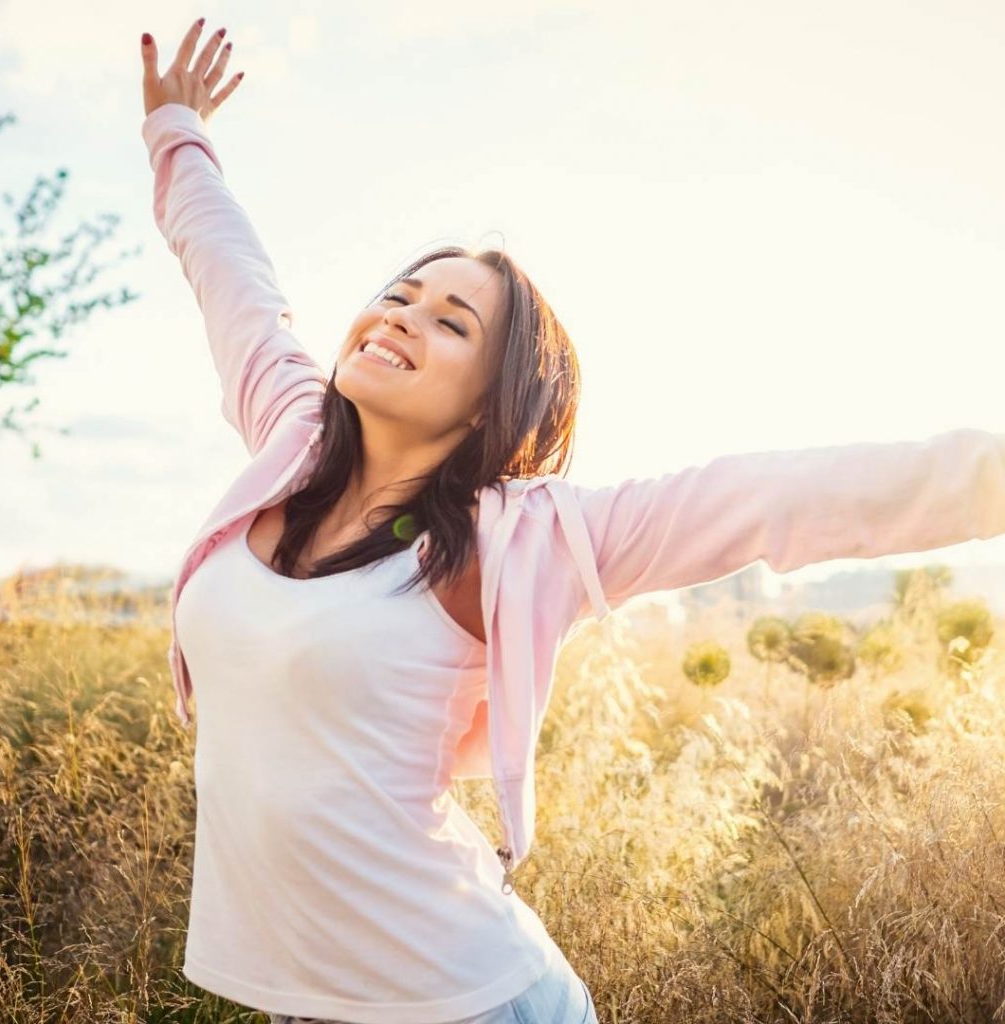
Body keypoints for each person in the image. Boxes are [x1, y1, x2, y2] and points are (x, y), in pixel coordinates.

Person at [139, 17, 1005, 1024]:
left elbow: (772, 496)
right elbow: (232, 278)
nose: (400, 316)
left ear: (489, 404)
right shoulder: (288, 436)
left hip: (470, 1000)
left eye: (450, 321)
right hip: (306, 999)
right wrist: (176, 132)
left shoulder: (519, 543)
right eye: (399, 295)